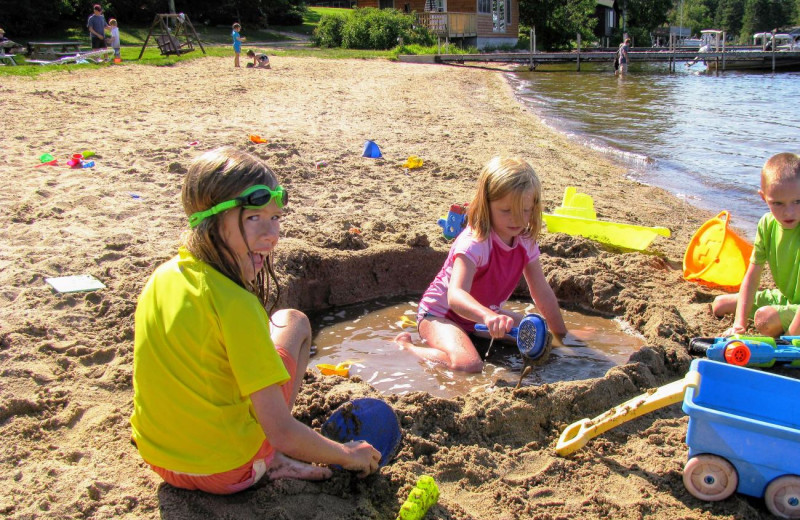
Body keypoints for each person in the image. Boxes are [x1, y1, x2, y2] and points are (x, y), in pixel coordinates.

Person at [130, 147, 381, 494]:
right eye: (253, 218)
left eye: (275, 218)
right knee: (292, 322)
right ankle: (269, 459)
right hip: (228, 472)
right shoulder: (235, 304)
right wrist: (348, 454)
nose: (272, 235)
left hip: (159, 459)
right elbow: (283, 432)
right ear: (209, 222)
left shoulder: (160, 277)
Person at [394, 156, 588, 372]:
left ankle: (479, 336)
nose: (517, 219)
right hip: (442, 316)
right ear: (486, 205)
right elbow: (456, 296)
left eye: (525, 211)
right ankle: (406, 346)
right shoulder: (475, 243)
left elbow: (541, 290)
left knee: (541, 341)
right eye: (506, 211)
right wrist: (489, 316)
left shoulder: (525, 241)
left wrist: (561, 336)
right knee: (469, 364)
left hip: (485, 316)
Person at [712, 152, 800, 337]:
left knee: (764, 319)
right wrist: (739, 325)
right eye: (778, 203)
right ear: (763, 197)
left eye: (798, 201)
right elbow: (752, 277)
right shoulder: (767, 225)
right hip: (789, 298)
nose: (789, 212)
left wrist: (791, 339)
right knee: (719, 305)